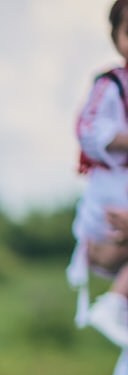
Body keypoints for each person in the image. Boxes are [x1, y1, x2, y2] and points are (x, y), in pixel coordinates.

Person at [72, 2, 128, 348]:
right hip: (114, 186)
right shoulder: (111, 85)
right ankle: (116, 303)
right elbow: (89, 130)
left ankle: (116, 302)